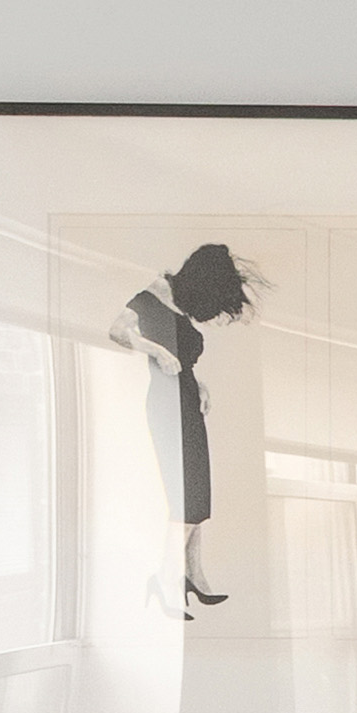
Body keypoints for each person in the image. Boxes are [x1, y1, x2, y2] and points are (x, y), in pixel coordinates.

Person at [124, 240, 253, 615]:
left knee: (198, 497)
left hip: (186, 401)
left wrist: (198, 384)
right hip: (166, 405)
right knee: (186, 500)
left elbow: (183, 361)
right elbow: (117, 330)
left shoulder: (178, 308)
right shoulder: (149, 296)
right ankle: (165, 579)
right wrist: (157, 351)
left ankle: (193, 574)